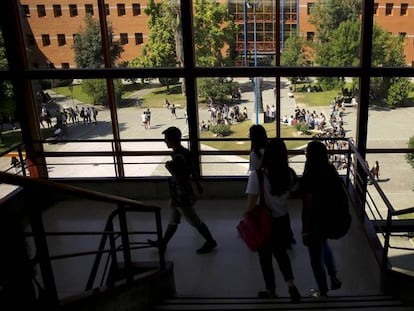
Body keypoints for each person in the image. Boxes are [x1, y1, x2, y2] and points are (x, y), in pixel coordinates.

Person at [245, 138, 301, 302]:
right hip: (283, 220)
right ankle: (291, 286)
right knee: (281, 254)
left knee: (265, 258)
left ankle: (270, 289)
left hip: (264, 223)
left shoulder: (258, 176)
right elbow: (294, 190)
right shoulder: (290, 174)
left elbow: (250, 206)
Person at [148, 127, 217, 254]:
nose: (165, 141)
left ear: (172, 140)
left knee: (193, 219)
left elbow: (179, 177)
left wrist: (169, 167)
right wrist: (198, 185)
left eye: (166, 139)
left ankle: (210, 241)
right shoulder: (185, 152)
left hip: (181, 194)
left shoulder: (177, 157)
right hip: (182, 193)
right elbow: (192, 170)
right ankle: (163, 243)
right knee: (174, 219)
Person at [300, 140, 342, 299]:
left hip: (314, 221)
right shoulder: (330, 169)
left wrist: (306, 228)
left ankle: (322, 291)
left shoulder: (310, 174)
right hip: (328, 217)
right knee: (324, 245)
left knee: (315, 257)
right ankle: (333, 275)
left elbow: (309, 204)